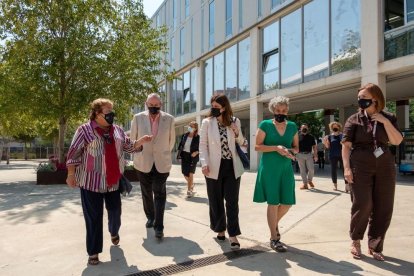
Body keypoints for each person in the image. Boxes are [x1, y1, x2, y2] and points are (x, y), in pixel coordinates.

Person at [66, 98, 152, 265]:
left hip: (113, 181)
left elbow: (128, 146)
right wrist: (71, 174)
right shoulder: (84, 130)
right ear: (97, 114)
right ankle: (93, 252)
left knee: (115, 212)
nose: (112, 115)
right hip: (91, 182)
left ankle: (114, 231)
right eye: (108, 112)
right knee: (93, 218)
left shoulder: (118, 130)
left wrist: (140, 142)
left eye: (113, 112)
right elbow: (74, 153)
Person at [342, 83, 403, 261]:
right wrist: (346, 168)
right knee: (363, 204)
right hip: (360, 166)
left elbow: (397, 141)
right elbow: (346, 147)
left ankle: (375, 245)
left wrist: (384, 122)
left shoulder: (389, 117)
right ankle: (356, 239)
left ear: (375, 99)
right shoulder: (354, 119)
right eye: (359, 98)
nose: (360, 101)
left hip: (385, 166)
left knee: (384, 206)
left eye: (364, 98)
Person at [199, 93, 245, 250]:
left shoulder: (235, 121)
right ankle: (220, 229)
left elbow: (243, 142)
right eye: (212, 106)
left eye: (217, 107)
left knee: (232, 201)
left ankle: (233, 235)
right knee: (215, 200)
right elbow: (203, 145)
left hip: (232, 166)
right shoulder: (207, 122)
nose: (214, 109)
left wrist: (236, 132)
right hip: (213, 166)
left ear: (224, 107)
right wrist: (204, 163)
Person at [253, 96, 299, 252]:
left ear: (287, 111)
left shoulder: (292, 126)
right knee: (273, 202)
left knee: (287, 202)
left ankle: (273, 224)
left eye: (284, 110)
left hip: (286, 168)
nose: (281, 112)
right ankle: (274, 237)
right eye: (278, 110)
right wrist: (276, 147)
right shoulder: (265, 125)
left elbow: (296, 147)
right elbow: (257, 147)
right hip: (270, 168)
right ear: (273, 110)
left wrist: (290, 151)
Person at [130, 93, 175, 240]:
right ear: (146, 104)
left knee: (159, 192)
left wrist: (163, 153)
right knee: (147, 192)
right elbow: (132, 141)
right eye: (151, 105)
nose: (154, 108)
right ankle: (150, 216)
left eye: (157, 105)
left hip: (162, 162)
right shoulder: (137, 118)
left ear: (161, 105)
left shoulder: (169, 119)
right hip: (143, 161)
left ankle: (159, 226)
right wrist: (140, 144)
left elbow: (171, 141)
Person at [323, 122, 348, 192]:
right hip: (333, 155)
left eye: (336, 127)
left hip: (342, 155)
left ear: (339, 127)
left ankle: (347, 185)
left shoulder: (342, 135)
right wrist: (325, 142)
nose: (335, 128)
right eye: (333, 127)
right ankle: (335, 185)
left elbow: (346, 145)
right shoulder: (329, 137)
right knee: (333, 170)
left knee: (344, 169)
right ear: (331, 128)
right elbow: (328, 146)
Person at [177, 121, 200, 197]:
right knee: (184, 173)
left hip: (193, 156)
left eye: (192, 126)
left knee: (190, 173)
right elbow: (180, 145)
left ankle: (189, 190)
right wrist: (179, 155)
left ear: (195, 128)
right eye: (189, 125)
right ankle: (191, 184)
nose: (190, 127)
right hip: (184, 156)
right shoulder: (184, 135)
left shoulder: (198, 137)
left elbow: (202, 148)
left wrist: (196, 152)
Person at [296, 124, 318, 189]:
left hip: (309, 155)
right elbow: (294, 146)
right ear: (300, 128)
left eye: (306, 128)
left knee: (311, 169)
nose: (304, 129)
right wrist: (294, 154)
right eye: (303, 128)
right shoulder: (297, 136)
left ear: (307, 129)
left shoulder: (311, 137)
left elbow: (314, 146)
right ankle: (305, 184)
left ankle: (310, 181)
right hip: (299, 155)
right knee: (302, 170)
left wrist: (315, 155)